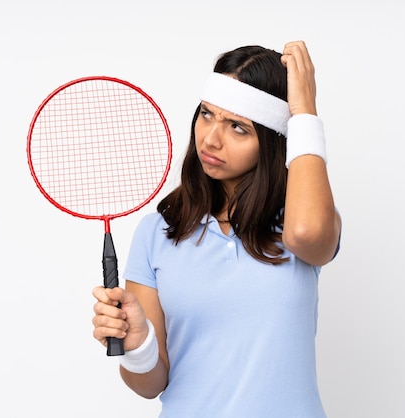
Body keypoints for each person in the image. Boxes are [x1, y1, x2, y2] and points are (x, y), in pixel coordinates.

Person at [91, 40, 342, 418]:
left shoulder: (299, 217)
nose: (210, 138)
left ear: (273, 141)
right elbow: (149, 384)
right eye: (207, 114)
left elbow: (307, 234)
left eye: (238, 127)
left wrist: (304, 113)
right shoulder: (158, 231)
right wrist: (139, 345)